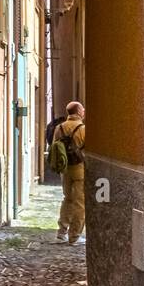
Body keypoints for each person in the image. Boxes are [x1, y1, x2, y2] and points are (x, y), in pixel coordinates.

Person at [53, 101, 85, 245]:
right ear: (78, 112)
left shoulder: (59, 128)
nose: (84, 111)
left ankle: (62, 231)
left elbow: (55, 147)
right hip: (80, 169)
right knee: (80, 203)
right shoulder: (83, 128)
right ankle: (74, 236)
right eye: (82, 109)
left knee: (67, 199)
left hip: (65, 169)